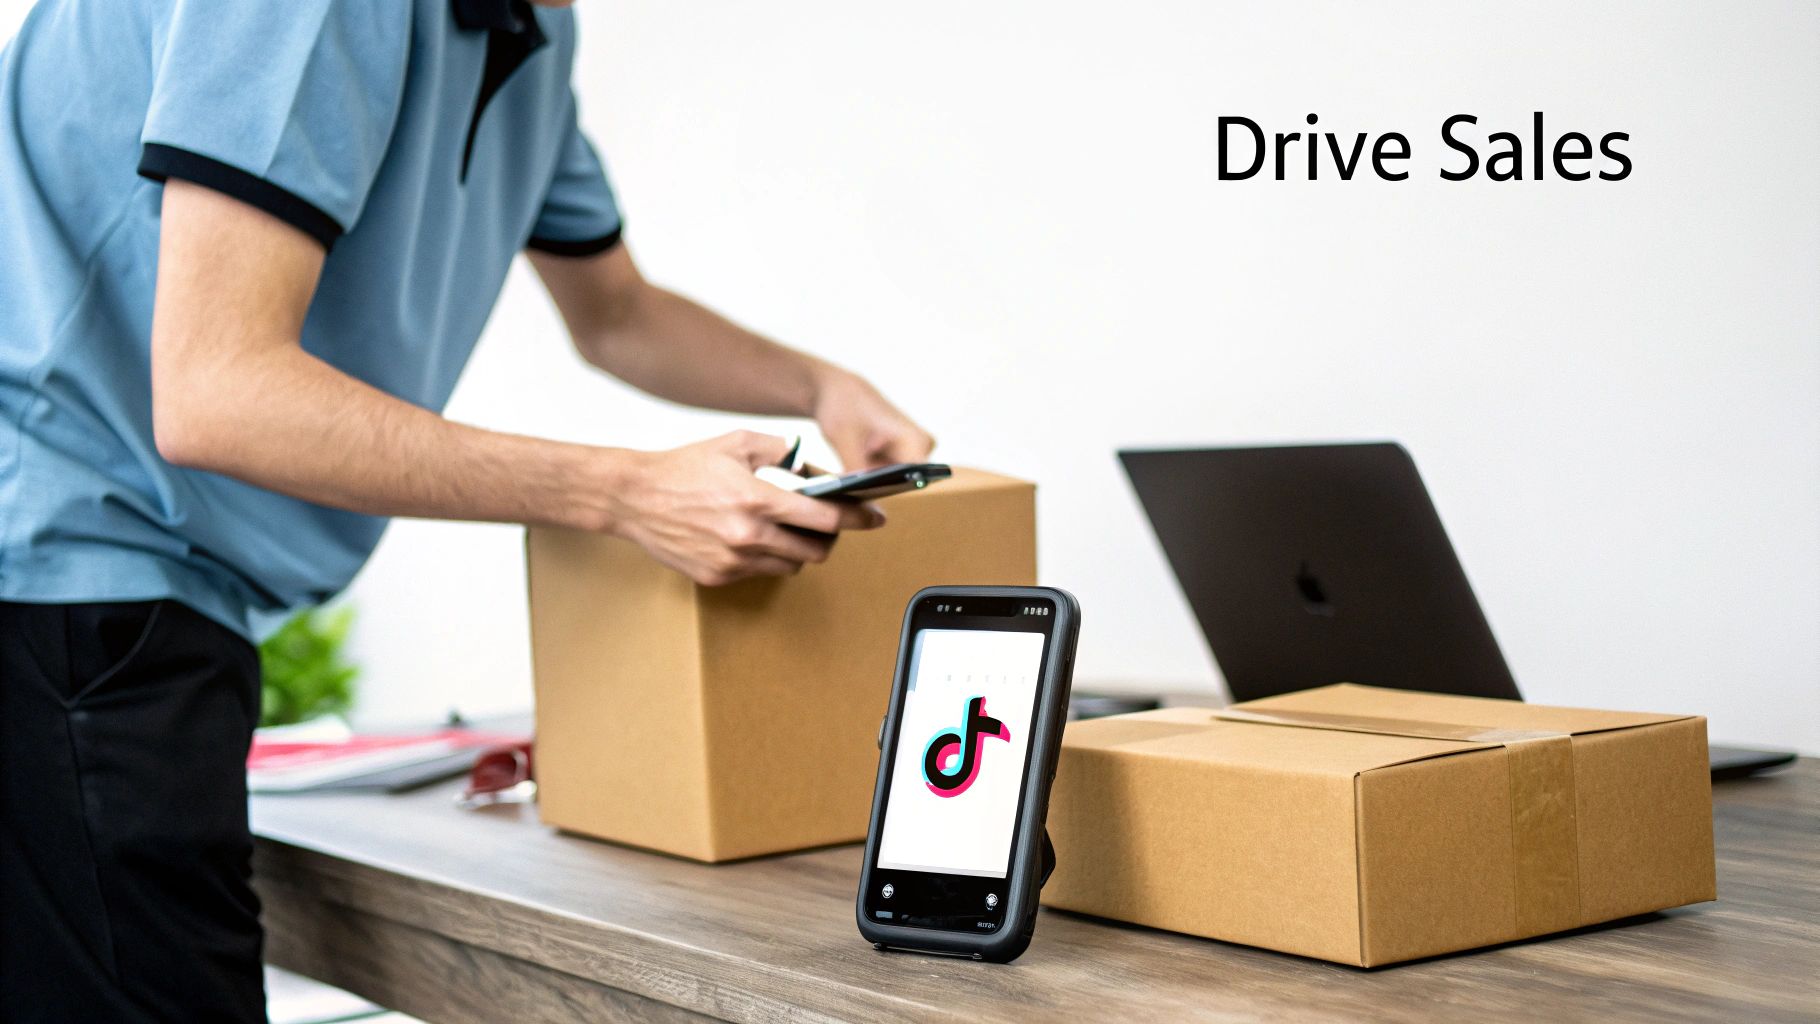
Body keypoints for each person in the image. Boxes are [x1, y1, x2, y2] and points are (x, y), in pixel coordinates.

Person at [0, 1, 933, 1020]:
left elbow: (616, 312)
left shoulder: (532, 29)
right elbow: (217, 390)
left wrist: (819, 387)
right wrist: (625, 492)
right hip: (60, 575)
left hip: (151, 596)